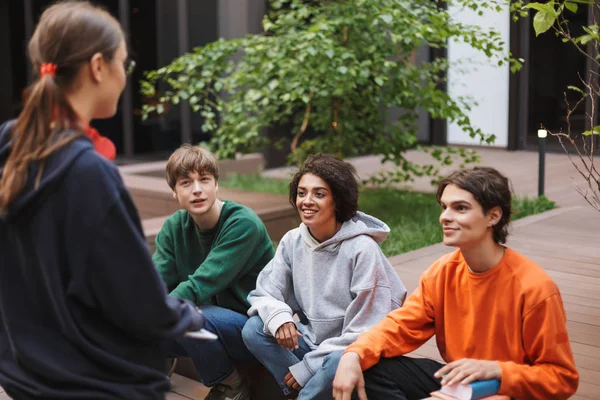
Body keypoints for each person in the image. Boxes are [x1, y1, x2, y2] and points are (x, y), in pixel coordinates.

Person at [0, 2, 205, 399]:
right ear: (98, 66)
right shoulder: (88, 173)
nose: (124, 79)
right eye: (123, 65)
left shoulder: (12, 146)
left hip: (25, 376)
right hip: (97, 383)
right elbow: (137, 300)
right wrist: (186, 315)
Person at [332, 166, 579, 400]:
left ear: (493, 215)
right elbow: (399, 327)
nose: (445, 217)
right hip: (461, 384)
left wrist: (498, 371)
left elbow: (561, 378)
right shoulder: (442, 273)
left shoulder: (535, 288)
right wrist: (355, 353)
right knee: (366, 371)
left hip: (510, 390)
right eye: (444, 207)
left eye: (460, 208)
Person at [242, 153, 408, 400]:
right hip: (313, 342)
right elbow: (266, 292)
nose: (307, 201)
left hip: (352, 349)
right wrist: (280, 317)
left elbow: (367, 330)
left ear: (338, 201)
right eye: (301, 193)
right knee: (255, 328)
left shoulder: (362, 249)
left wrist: (308, 368)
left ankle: (307, 394)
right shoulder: (292, 241)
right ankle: (305, 391)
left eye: (319, 194)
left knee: (337, 360)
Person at [152, 144, 275, 400]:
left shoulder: (243, 223)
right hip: (207, 326)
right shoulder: (174, 227)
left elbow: (201, 283)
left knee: (186, 311)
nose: (197, 189)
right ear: (174, 192)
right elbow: (154, 284)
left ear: (216, 185)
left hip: (254, 330)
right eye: (186, 183)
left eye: (204, 180)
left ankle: (231, 385)